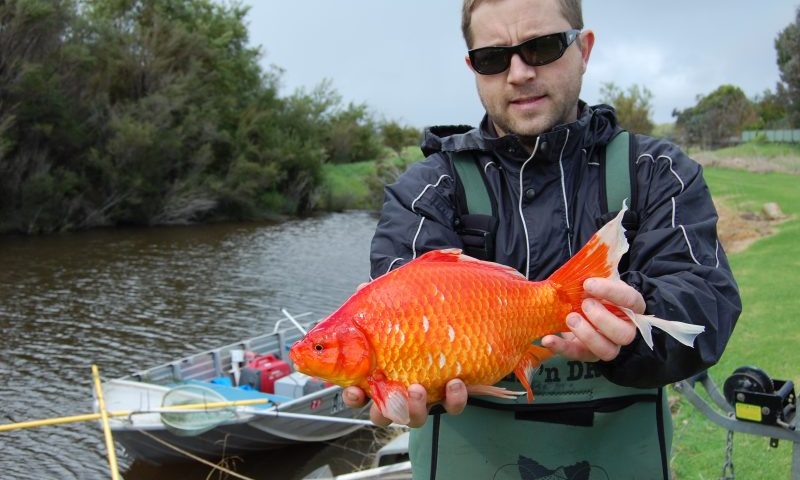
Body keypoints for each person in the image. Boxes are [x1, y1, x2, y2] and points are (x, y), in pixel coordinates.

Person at [343, 0, 742, 478]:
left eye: (543, 47)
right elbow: (398, 321)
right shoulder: (424, 191)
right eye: (493, 57)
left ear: (584, 49)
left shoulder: (657, 172)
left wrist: (635, 324)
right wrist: (404, 392)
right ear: (473, 67)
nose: (518, 73)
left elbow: (707, 304)